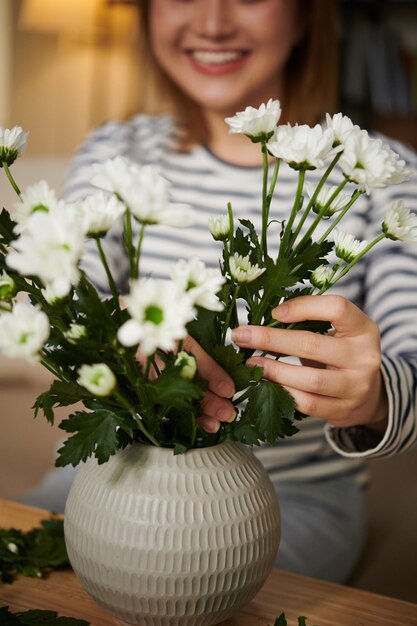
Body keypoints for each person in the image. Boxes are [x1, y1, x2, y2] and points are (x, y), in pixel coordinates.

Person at [18, 0, 417, 584]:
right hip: (125, 470)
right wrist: (113, 329)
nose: (211, 23)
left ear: (307, 15)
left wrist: (374, 393)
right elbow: (59, 304)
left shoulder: (385, 181)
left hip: (291, 500)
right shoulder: (117, 153)